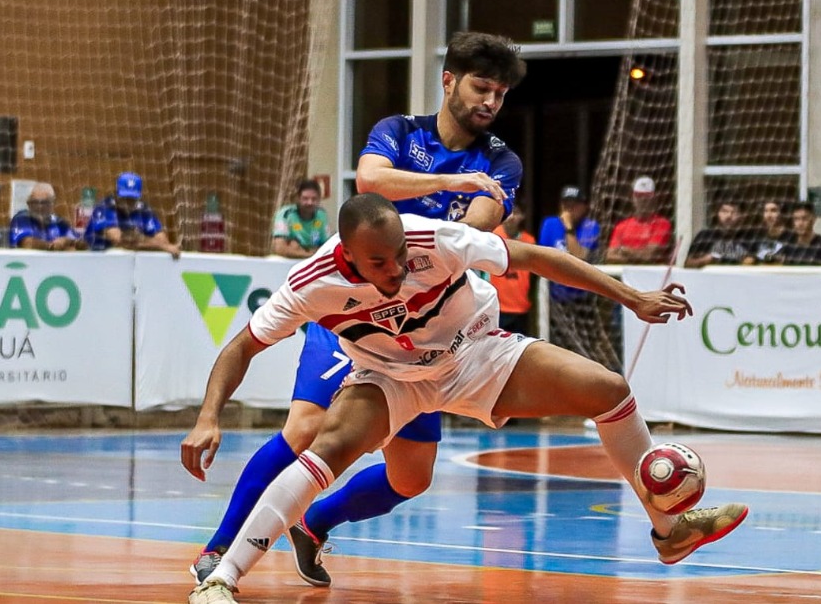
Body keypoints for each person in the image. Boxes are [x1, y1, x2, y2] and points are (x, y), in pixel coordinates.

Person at [183, 194, 749, 604]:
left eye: (400, 255)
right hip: (390, 377)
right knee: (325, 444)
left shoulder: (434, 240)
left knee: (608, 389)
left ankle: (669, 532)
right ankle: (222, 578)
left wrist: (631, 296)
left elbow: (535, 259)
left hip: (475, 354)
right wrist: (209, 417)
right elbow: (241, 346)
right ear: (349, 258)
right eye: (379, 263)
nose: (397, 269)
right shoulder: (311, 283)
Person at [186, 30, 527, 588]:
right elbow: (369, 181)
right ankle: (218, 550)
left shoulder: (501, 161)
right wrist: (451, 181)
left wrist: (445, 220)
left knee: (412, 478)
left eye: (500, 94)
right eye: (481, 87)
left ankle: (315, 523)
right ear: (449, 82)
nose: (490, 101)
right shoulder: (398, 132)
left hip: (424, 328)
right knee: (307, 426)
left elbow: (478, 226)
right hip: (356, 312)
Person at [537, 186, 616, 369]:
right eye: (566, 204)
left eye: (574, 205)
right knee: (555, 350)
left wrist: (569, 229)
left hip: (582, 301)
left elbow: (579, 256)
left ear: (584, 206)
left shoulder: (590, 227)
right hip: (556, 299)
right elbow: (543, 255)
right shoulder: (550, 224)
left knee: (584, 351)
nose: (569, 209)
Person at [84, 172, 181, 258]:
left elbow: (162, 240)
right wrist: (159, 246)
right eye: (125, 198)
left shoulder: (143, 210)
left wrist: (158, 244)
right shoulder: (105, 207)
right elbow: (119, 241)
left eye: (132, 199)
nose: (128, 202)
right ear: (116, 194)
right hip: (94, 258)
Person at [490, 202, 535, 335]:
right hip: (497, 306)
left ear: (522, 216)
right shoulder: (492, 236)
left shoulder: (529, 241)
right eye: (508, 213)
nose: (511, 217)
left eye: (516, 213)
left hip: (521, 306)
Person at [606, 176, 672, 265]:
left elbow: (649, 256)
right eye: (639, 195)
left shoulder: (662, 224)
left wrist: (624, 250)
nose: (643, 199)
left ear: (654, 198)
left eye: (647, 196)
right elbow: (610, 256)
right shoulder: (621, 226)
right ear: (633, 197)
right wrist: (637, 256)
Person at [9, 183, 84, 251]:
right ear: (28, 204)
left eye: (45, 202)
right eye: (35, 202)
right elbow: (27, 243)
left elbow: (82, 244)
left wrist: (66, 241)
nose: (40, 207)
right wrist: (52, 246)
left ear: (53, 203)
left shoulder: (59, 222)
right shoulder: (21, 218)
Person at [271, 179, 330, 258]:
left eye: (314, 199)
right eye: (305, 198)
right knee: (293, 245)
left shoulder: (322, 215)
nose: (310, 202)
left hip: (312, 260)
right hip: (289, 261)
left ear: (319, 199)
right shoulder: (285, 214)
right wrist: (309, 255)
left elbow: (327, 247)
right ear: (298, 198)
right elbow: (279, 248)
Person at [684, 199, 751, 268]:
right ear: (717, 213)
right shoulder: (705, 236)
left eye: (734, 212)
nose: (729, 216)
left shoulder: (749, 238)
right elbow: (687, 264)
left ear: (742, 216)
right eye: (724, 211)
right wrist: (705, 260)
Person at [782, 201, 821, 266]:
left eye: (804, 219)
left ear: (813, 220)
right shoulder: (788, 244)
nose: (800, 224)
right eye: (796, 219)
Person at [744, 200, 794, 265]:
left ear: (782, 214)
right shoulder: (756, 236)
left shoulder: (791, 237)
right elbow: (747, 260)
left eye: (773, 211)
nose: (769, 215)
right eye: (766, 211)